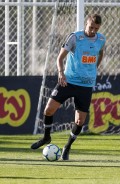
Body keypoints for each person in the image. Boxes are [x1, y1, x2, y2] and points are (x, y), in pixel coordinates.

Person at [30, 14, 106, 161]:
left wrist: (94, 68)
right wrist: (61, 73)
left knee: (80, 121)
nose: (93, 31)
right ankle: (46, 137)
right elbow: (60, 58)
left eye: (96, 28)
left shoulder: (101, 39)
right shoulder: (75, 37)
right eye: (91, 27)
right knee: (49, 109)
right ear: (86, 24)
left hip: (86, 85)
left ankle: (67, 147)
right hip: (68, 81)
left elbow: (101, 53)